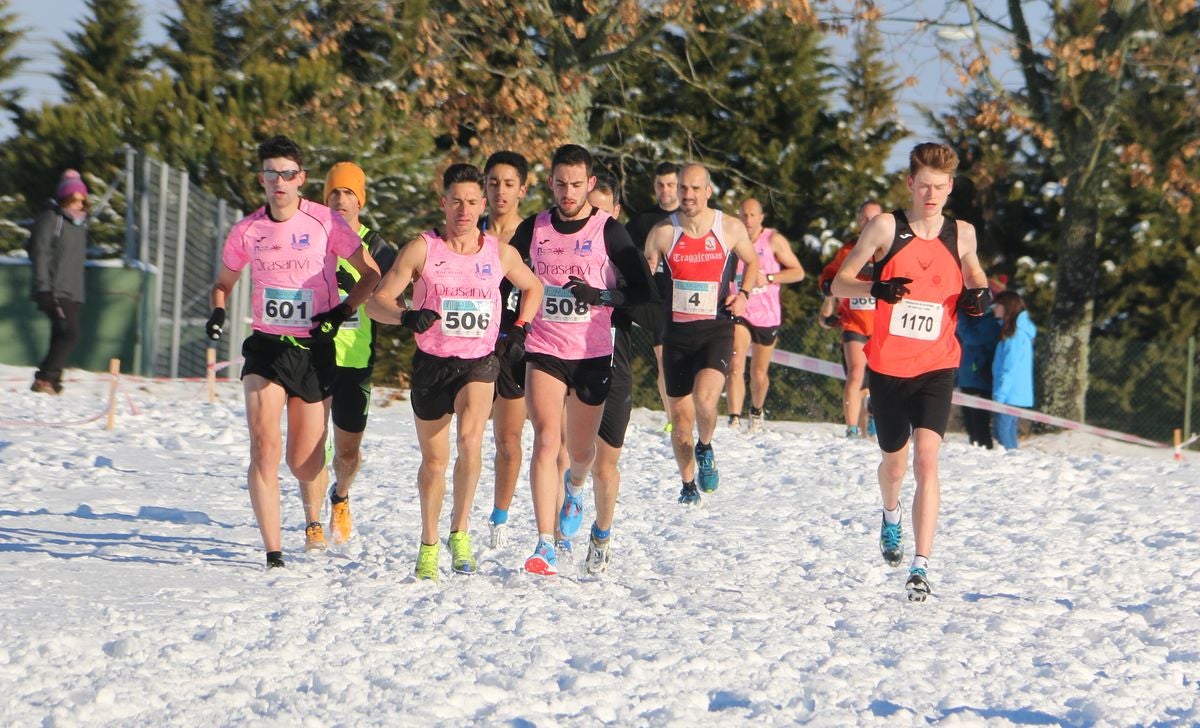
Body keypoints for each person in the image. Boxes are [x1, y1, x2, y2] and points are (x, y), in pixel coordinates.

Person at [206, 135, 381, 569]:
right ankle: (274, 551)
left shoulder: (325, 223)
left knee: (304, 463)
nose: (279, 181)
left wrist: (343, 310)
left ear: (300, 179)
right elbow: (223, 281)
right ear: (262, 179)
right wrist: (218, 310)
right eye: (271, 173)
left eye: (287, 174)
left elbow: (370, 273)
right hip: (266, 348)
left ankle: (326, 496)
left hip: (313, 350)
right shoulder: (248, 230)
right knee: (263, 446)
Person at [366, 163, 541, 581]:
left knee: (470, 441)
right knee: (434, 461)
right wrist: (406, 316)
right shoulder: (422, 249)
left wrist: (520, 328)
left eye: (471, 202)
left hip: (480, 362)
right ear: (443, 203)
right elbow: (377, 302)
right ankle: (429, 542)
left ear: (483, 204)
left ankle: (459, 532)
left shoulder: (498, 251)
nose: (464, 210)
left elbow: (533, 287)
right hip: (432, 365)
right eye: (455, 201)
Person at [831, 142, 989, 602]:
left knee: (927, 459)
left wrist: (979, 295)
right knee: (895, 466)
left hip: (938, 364)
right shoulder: (886, 227)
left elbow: (975, 274)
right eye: (924, 186)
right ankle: (890, 513)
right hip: (887, 366)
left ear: (950, 187)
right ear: (909, 184)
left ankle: (921, 565)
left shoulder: (962, 233)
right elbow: (840, 280)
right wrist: (876, 286)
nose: (932, 195)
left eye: (940, 187)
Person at [510, 144, 654, 576]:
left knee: (581, 451)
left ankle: (575, 488)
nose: (567, 192)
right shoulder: (533, 228)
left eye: (576, 184)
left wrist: (603, 296)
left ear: (590, 185)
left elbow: (645, 292)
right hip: (545, 348)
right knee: (546, 440)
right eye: (560, 183)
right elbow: (500, 270)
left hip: (592, 352)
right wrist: (509, 327)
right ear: (550, 183)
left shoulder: (609, 231)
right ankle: (544, 543)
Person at [644, 163, 759, 505]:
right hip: (676, 335)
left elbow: (752, 264)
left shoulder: (730, 228)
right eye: (683, 188)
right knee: (680, 424)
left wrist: (744, 295)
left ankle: (705, 446)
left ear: (708, 191)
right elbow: (644, 275)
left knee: (706, 399)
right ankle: (688, 484)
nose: (688, 195)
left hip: (716, 329)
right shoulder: (663, 232)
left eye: (695, 189)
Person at [581, 173, 659, 573]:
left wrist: (611, 295)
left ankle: (602, 534)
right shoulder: (565, 248)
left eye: (602, 209)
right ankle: (563, 519)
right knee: (564, 451)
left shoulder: (626, 254)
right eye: (588, 207)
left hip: (614, 365)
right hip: (571, 364)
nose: (594, 215)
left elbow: (651, 310)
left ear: (616, 212)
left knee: (605, 464)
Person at [320, 161, 398, 544]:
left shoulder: (378, 248)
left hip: (355, 360)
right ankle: (310, 522)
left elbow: (398, 290)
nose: (340, 200)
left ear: (360, 201)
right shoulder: (311, 236)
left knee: (347, 457)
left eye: (349, 193)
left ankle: (341, 495)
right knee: (312, 445)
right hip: (312, 354)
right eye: (334, 192)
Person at [481, 150, 533, 549]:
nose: (500, 191)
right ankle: (457, 516)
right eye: (494, 182)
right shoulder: (469, 229)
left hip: (516, 347)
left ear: (523, 189)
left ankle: (500, 515)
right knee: (464, 437)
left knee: (509, 441)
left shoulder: (533, 236)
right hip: (470, 344)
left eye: (509, 184)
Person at [725, 197, 806, 433]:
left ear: (761, 218)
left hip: (767, 314)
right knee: (735, 361)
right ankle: (734, 417)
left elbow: (798, 272)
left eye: (752, 215)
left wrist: (770, 278)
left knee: (759, 372)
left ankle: (756, 411)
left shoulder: (773, 240)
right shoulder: (732, 239)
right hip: (740, 309)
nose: (747, 220)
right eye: (743, 215)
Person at [818, 200, 883, 438]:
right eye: (864, 218)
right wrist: (826, 285)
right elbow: (830, 273)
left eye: (873, 218)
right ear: (858, 221)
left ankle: (876, 416)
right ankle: (852, 429)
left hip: (882, 326)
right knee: (856, 372)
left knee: (879, 379)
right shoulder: (848, 250)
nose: (868, 222)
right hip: (853, 323)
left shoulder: (890, 248)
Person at [624, 162, 680, 429]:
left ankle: (689, 411)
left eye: (670, 184)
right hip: (657, 300)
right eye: (660, 184)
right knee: (663, 357)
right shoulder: (643, 220)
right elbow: (624, 253)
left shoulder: (690, 217)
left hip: (689, 297)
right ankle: (673, 417)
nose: (665, 190)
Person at [28, 170, 89, 395]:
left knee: (61, 332)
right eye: (74, 201)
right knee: (70, 332)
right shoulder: (51, 219)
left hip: (73, 290)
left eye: (82, 201)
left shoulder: (81, 225)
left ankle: (52, 381)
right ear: (64, 199)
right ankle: (45, 377)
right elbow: (40, 253)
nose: (78, 206)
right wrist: (43, 287)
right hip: (54, 288)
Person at [955, 276, 1005, 448]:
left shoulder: (991, 322)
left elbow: (971, 337)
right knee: (970, 425)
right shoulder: (973, 320)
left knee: (979, 426)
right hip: (967, 377)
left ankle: (988, 454)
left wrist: (959, 313)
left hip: (979, 379)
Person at [991, 290, 1037, 450]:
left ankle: (1011, 464)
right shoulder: (1015, 332)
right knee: (1004, 432)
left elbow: (1009, 368)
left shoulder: (1015, 335)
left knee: (1002, 434)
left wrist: (999, 395)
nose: (994, 308)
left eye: (997, 305)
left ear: (1007, 308)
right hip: (1012, 394)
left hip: (1010, 394)